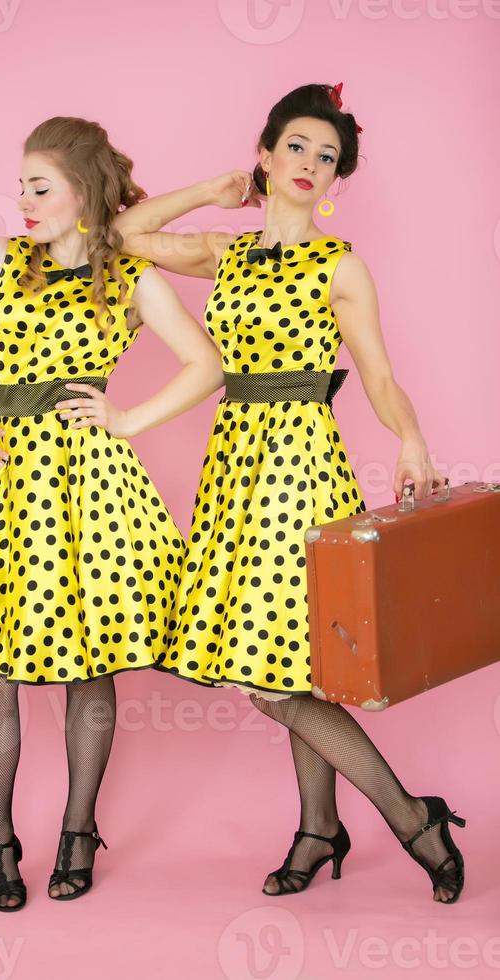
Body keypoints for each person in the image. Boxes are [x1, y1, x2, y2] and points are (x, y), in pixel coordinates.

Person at [113, 83, 466, 903]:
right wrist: (211, 188)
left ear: (337, 181)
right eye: (297, 148)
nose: (311, 165)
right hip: (233, 464)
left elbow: (378, 375)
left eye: (328, 157)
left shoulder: (340, 265)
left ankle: (413, 817)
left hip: (299, 468)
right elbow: (121, 234)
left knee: (272, 675)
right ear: (266, 156)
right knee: (291, 662)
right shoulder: (223, 253)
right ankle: (317, 826)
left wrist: (411, 438)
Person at [0, 116, 224, 911]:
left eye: (39, 186)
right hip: (5, 489)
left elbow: (207, 363)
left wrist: (127, 421)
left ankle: (80, 832)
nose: (25, 201)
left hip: (93, 489)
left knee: (91, 667)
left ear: (84, 189)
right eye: (23, 187)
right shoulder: (0, 261)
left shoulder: (130, 276)